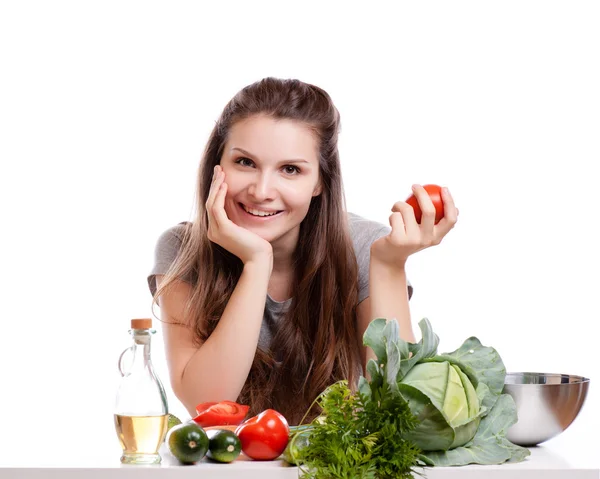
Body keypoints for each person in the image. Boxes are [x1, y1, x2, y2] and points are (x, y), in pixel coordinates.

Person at [148, 77, 458, 425]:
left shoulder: (363, 245)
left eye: (290, 169)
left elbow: (398, 407)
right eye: (245, 163)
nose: (262, 190)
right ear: (217, 165)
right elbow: (207, 404)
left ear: (319, 182)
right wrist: (256, 261)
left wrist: (387, 266)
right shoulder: (182, 250)